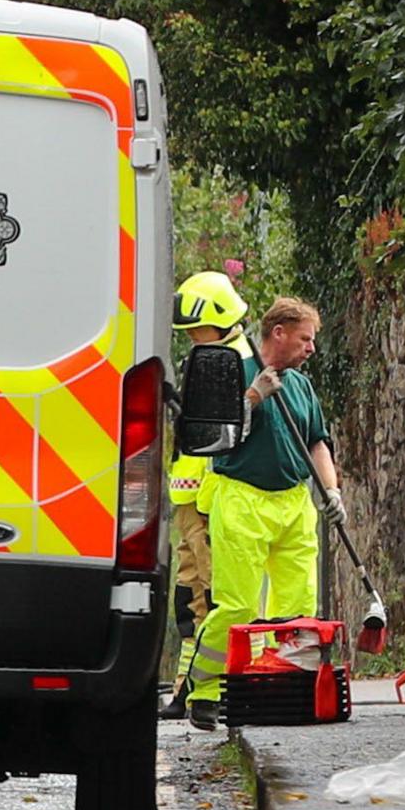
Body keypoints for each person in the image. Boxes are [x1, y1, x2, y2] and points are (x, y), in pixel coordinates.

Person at [186, 296, 346, 730]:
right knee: (237, 605)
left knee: (297, 607)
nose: (311, 348)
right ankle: (203, 692)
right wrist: (253, 396)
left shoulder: (301, 386)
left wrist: (331, 491)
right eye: (305, 339)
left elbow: (317, 442)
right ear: (278, 334)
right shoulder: (235, 371)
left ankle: (278, 686)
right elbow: (210, 432)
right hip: (243, 498)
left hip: (294, 501)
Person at [161, 271, 253, 718]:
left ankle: (201, 693)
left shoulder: (231, 362)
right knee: (189, 599)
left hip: (207, 501)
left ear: (220, 319)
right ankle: (184, 688)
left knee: (207, 601)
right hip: (189, 501)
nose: (192, 338)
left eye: (196, 330)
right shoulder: (213, 357)